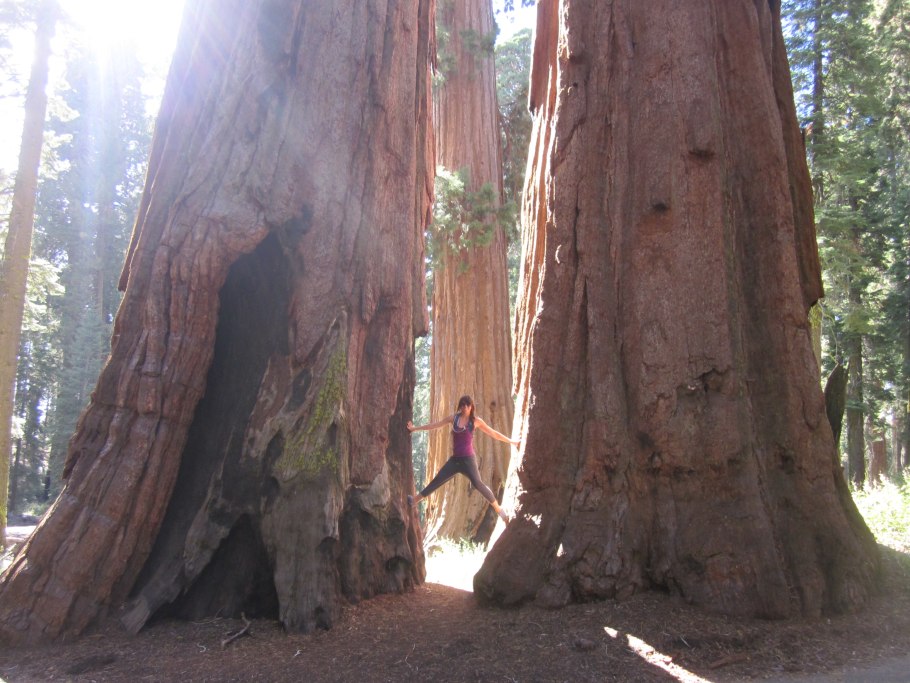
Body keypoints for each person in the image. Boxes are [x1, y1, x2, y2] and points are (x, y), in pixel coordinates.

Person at [407, 395, 518, 524]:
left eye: (468, 405)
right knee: (438, 479)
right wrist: (415, 429)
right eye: (463, 405)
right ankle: (414, 500)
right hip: (455, 461)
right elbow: (435, 425)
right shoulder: (454, 419)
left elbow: (493, 433)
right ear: (460, 407)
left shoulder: (475, 421)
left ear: (471, 407)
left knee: (479, 485)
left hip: (468, 461)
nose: (465, 407)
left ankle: (500, 511)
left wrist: (512, 442)